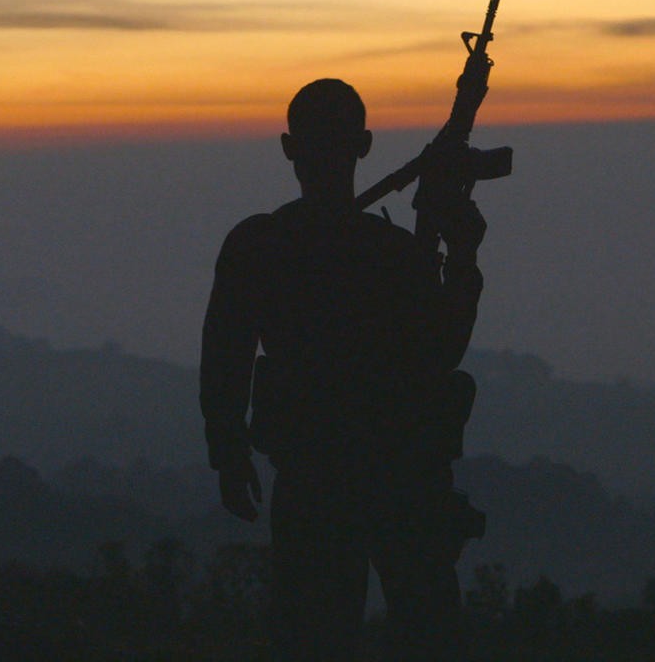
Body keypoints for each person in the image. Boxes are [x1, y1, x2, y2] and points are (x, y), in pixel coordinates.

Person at [200, 78, 486, 661]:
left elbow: (225, 356)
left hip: (331, 481)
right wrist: (461, 258)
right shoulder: (390, 254)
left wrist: (228, 451)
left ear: (288, 146)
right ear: (366, 145)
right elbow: (442, 349)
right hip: (388, 480)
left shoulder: (264, 246)